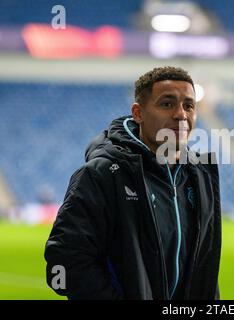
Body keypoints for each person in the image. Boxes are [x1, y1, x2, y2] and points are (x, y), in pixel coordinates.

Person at [44, 66, 221, 300]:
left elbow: (203, 268)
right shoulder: (102, 174)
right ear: (138, 113)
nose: (181, 114)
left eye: (189, 105)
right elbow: (65, 263)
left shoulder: (200, 176)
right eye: (167, 104)